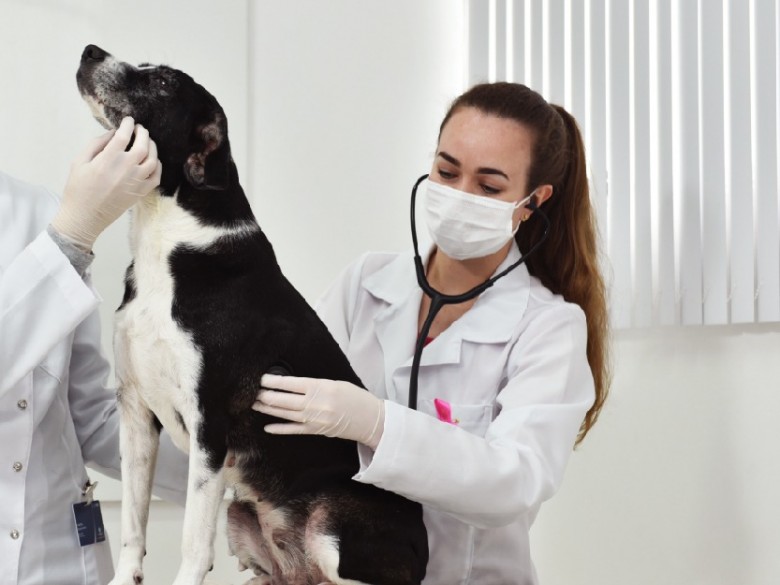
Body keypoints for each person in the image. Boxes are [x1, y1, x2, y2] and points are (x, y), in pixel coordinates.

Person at [253, 82, 610, 584]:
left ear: (533, 201)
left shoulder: (549, 326)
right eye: (446, 171)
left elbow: (515, 483)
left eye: (489, 187)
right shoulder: (366, 284)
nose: (460, 195)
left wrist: (377, 424)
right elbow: (273, 419)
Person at [0, 117, 188, 585]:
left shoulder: (39, 208)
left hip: (62, 560)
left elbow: (87, 416)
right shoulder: (66, 222)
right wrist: (70, 237)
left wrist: (234, 470)